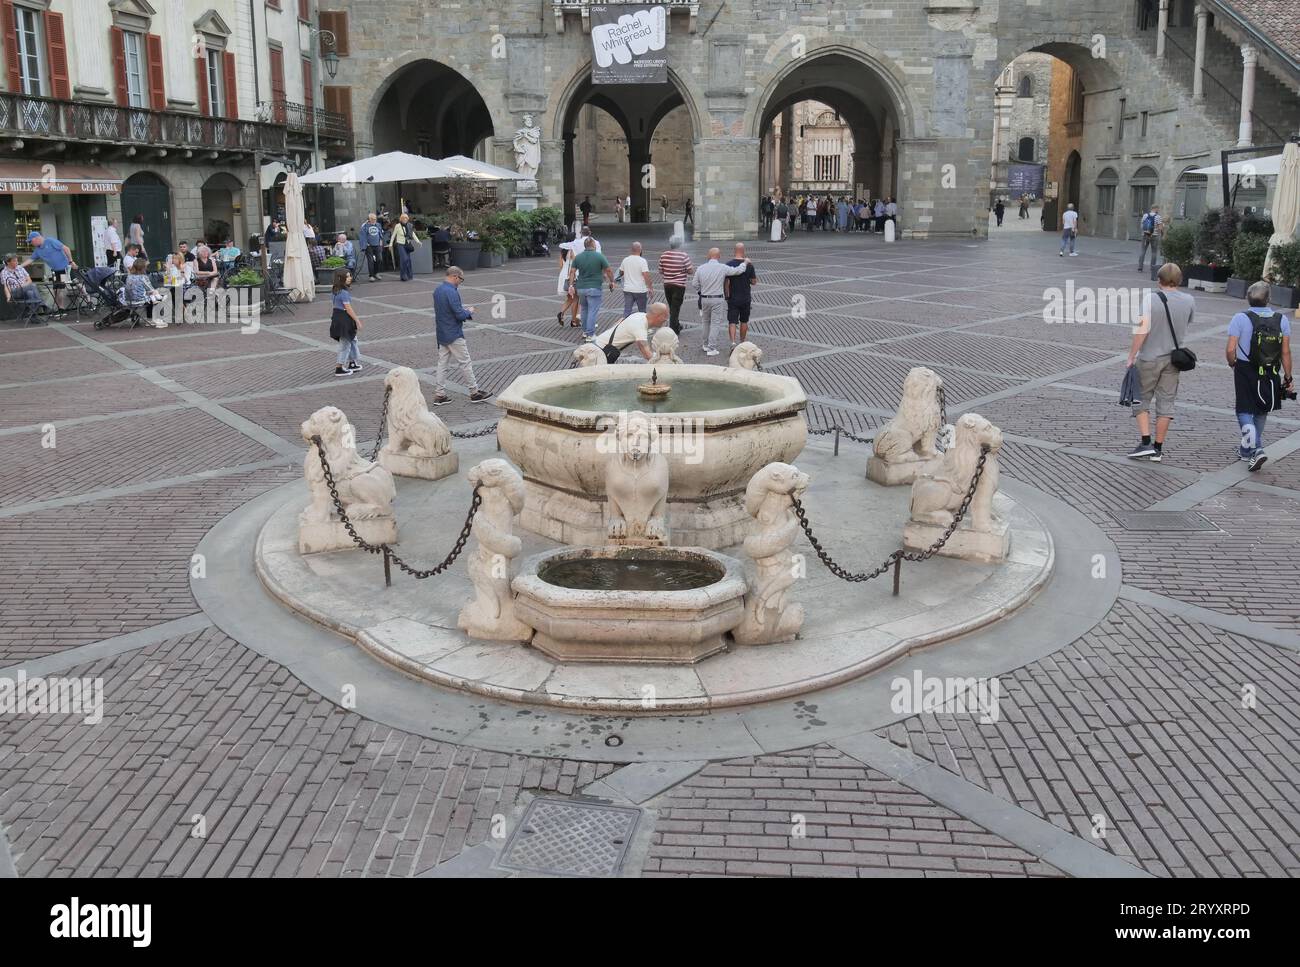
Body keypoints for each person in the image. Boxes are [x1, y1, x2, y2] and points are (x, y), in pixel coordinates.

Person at [1125, 263, 1195, 462]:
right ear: (1180, 280)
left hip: (1149, 357)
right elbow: (1186, 323)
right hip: (1173, 359)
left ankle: (1145, 442)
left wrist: (1131, 356)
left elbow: (1142, 330)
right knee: (1166, 402)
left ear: (1159, 280)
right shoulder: (1189, 300)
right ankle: (1158, 448)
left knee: (1140, 398)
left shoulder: (1150, 299)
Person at [1227, 280, 1293, 471]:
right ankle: (1246, 449)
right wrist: (1288, 377)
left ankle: (1256, 449)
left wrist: (1233, 363)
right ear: (1268, 299)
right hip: (1271, 368)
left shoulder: (1240, 318)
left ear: (1248, 298)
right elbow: (1286, 352)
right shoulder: (1282, 319)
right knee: (1262, 408)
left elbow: (1231, 348)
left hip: (1245, 367)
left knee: (1244, 410)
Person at [432, 266, 491, 404]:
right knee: (465, 363)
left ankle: (439, 395)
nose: (460, 282)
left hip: (442, 332)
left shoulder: (438, 290)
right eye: (461, 279)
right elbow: (458, 314)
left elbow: (446, 312)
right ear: (455, 277)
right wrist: (469, 312)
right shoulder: (451, 292)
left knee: (442, 364)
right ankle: (474, 392)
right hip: (453, 333)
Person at [691, 247, 751, 357]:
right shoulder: (722, 267)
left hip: (704, 298)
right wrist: (745, 262)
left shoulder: (700, 268)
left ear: (708, 256)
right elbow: (737, 271)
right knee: (715, 323)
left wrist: (701, 291)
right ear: (719, 256)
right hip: (717, 298)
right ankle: (711, 347)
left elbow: (694, 284)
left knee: (705, 322)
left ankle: (705, 345)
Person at [568, 236, 614, 340]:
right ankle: (590, 334)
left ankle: (584, 331)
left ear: (585, 246)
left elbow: (572, 271)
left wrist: (571, 285)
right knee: (592, 311)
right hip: (594, 287)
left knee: (584, 309)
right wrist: (612, 281)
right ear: (593, 245)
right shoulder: (599, 256)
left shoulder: (578, 257)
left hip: (581, 288)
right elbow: (609, 270)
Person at [595, 302, 670, 362]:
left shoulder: (639, 315)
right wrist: (662, 363)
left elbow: (620, 321)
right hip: (598, 352)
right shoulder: (640, 326)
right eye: (665, 316)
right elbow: (647, 355)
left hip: (598, 346)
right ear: (658, 316)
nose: (666, 319)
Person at [22, 231, 75, 311]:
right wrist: (19, 267)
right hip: (55, 271)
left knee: (62, 288)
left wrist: (71, 261)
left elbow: (66, 248)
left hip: (65, 268)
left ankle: (86, 301)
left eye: (31, 241)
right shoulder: (38, 250)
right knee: (55, 290)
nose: (30, 243)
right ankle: (60, 308)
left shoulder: (50, 241)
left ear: (37, 239)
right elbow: (30, 260)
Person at [328, 268, 362, 377]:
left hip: (337, 316)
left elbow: (335, 306)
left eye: (349, 276)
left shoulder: (334, 290)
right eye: (347, 276)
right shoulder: (343, 293)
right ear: (341, 278)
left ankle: (352, 362)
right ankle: (339, 367)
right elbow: (348, 309)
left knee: (352, 339)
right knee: (345, 343)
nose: (350, 278)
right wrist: (357, 320)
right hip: (343, 318)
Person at [657, 236, 694, 335]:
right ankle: (673, 330)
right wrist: (683, 270)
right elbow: (690, 271)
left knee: (673, 307)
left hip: (667, 285)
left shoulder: (664, 255)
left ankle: (677, 325)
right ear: (679, 244)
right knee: (675, 308)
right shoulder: (683, 255)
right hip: (679, 286)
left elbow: (660, 270)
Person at [725, 242, 757, 347]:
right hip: (745, 298)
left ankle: (733, 342)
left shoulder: (728, 264)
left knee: (732, 321)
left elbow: (726, 282)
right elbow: (754, 282)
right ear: (743, 251)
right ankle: (742, 342)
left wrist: (727, 296)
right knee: (744, 321)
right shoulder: (749, 265)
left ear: (735, 251)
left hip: (733, 297)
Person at [1, 253, 44, 320]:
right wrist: (8, 297)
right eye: (14, 261)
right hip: (15, 292)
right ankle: (41, 302)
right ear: (8, 262)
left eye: (17, 260)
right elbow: (6, 286)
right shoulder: (4, 272)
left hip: (24, 289)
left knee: (31, 293)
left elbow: (29, 280)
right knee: (33, 286)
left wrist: (22, 286)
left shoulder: (20, 268)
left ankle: (33, 316)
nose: (17, 262)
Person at [124, 259, 164, 327]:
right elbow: (150, 289)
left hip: (129, 301)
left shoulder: (129, 276)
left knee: (150, 296)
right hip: (139, 301)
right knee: (156, 298)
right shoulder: (143, 277)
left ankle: (142, 318)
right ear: (143, 268)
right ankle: (154, 319)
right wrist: (157, 292)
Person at [617, 241, 652, 316]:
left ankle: (624, 326)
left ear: (631, 250)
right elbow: (646, 275)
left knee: (627, 311)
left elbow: (620, 273)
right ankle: (641, 326)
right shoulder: (642, 261)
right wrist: (650, 288)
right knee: (642, 312)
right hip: (640, 290)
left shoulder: (625, 260)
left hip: (628, 289)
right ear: (640, 250)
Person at [390, 213, 420, 282]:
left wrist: (418, 241)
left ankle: (409, 275)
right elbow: (393, 235)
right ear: (401, 219)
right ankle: (403, 275)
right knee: (404, 259)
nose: (405, 219)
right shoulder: (398, 226)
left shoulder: (409, 225)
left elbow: (412, 234)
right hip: (400, 244)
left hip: (407, 244)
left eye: (406, 218)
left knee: (408, 260)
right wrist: (390, 244)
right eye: (403, 218)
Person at [1138, 204, 1163, 274]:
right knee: (1154, 252)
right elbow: (1160, 228)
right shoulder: (1158, 217)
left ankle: (1140, 267)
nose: (1158, 210)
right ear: (1155, 208)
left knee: (1143, 251)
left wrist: (1145, 232)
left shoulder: (1145, 215)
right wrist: (1160, 229)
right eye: (1158, 209)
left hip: (1145, 235)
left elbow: (1142, 226)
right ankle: (1152, 268)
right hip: (1154, 236)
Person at [359, 212, 385, 281]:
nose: (374, 220)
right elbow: (362, 236)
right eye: (373, 219)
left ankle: (376, 273)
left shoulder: (378, 225)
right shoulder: (365, 226)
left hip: (377, 245)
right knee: (370, 261)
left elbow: (380, 233)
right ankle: (371, 275)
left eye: (375, 219)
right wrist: (365, 245)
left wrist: (381, 241)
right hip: (369, 246)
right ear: (369, 219)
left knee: (379, 259)